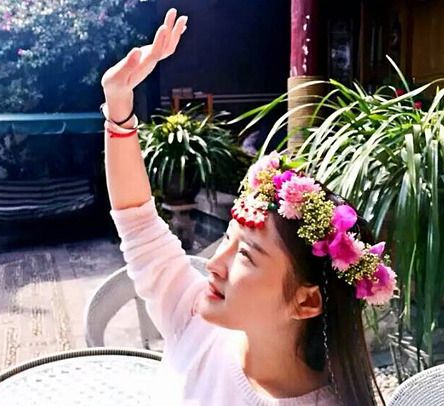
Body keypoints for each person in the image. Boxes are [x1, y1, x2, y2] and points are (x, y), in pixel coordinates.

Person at [100, 8, 395, 405]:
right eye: (228, 238)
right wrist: (119, 105)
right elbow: (138, 220)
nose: (213, 264)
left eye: (246, 255)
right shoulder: (197, 322)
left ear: (306, 301)